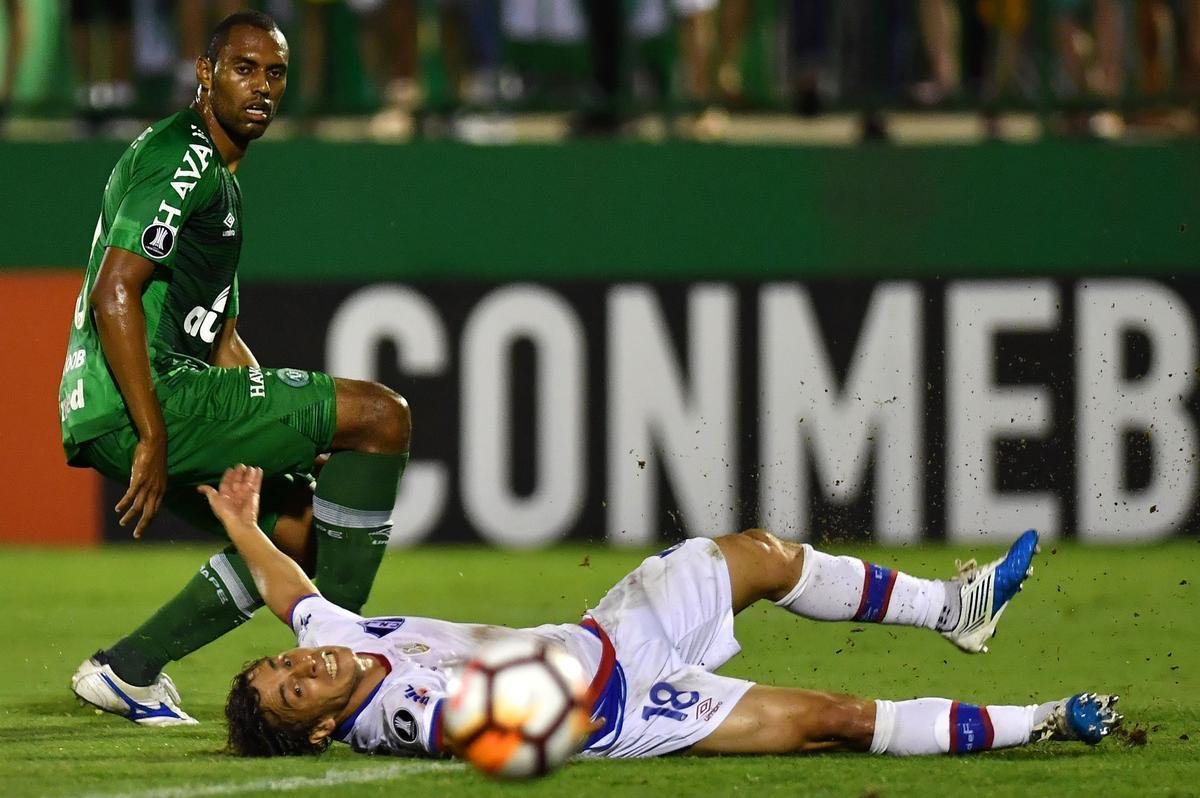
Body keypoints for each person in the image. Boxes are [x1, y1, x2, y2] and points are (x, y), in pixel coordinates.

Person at [202, 465, 1120, 760]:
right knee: (827, 721)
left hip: (612, 637)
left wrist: (244, 526)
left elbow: (295, 595)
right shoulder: (396, 716)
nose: (298, 668)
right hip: (619, 710)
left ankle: (958, 607)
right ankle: (1044, 724)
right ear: (321, 731)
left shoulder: (338, 645)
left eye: (279, 665)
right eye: (291, 694)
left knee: (763, 556)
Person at [64, 11, 412, 727]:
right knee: (381, 416)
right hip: (148, 395)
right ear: (204, 72)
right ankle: (351, 667)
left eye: (275, 73)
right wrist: (153, 434)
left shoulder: (216, 179)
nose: (260, 87)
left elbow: (217, 334)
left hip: (135, 399)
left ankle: (127, 670)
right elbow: (115, 290)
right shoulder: (183, 157)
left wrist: (284, 436)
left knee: (298, 531)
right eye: (243, 68)